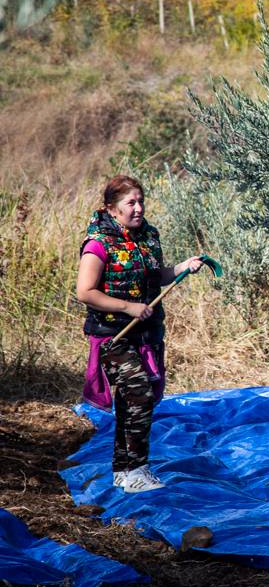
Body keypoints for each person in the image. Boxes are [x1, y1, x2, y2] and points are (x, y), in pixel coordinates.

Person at [75, 175, 203, 493]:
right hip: (113, 335)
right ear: (111, 208)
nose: (138, 208)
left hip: (145, 335)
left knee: (131, 399)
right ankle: (136, 470)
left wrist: (182, 268)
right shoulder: (97, 244)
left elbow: (156, 275)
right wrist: (128, 307)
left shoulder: (148, 236)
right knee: (139, 394)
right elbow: (85, 292)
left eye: (141, 201)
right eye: (130, 203)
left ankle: (124, 471)